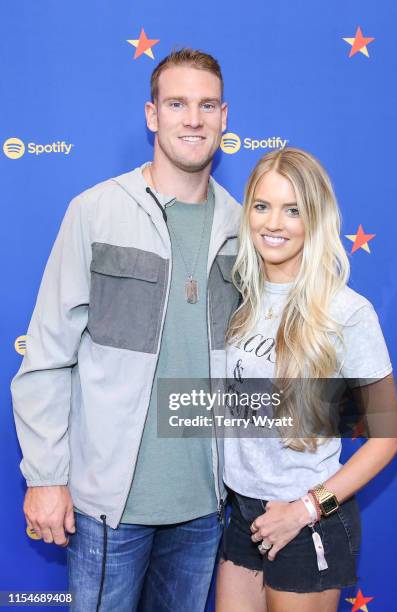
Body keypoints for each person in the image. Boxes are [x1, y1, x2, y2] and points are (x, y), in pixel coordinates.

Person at [11, 48, 242, 611]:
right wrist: (45, 476)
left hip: (204, 507)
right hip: (107, 508)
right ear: (151, 114)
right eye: (177, 103)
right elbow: (46, 354)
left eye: (207, 104)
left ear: (224, 117)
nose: (194, 118)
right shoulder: (95, 212)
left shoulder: (245, 227)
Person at [216, 147, 397, 612]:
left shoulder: (347, 312)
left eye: (292, 209)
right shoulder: (241, 297)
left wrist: (305, 510)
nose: (273, 223)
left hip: (308, 520)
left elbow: (387, 437)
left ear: (314, 218)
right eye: (262, 206)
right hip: (243, 514)